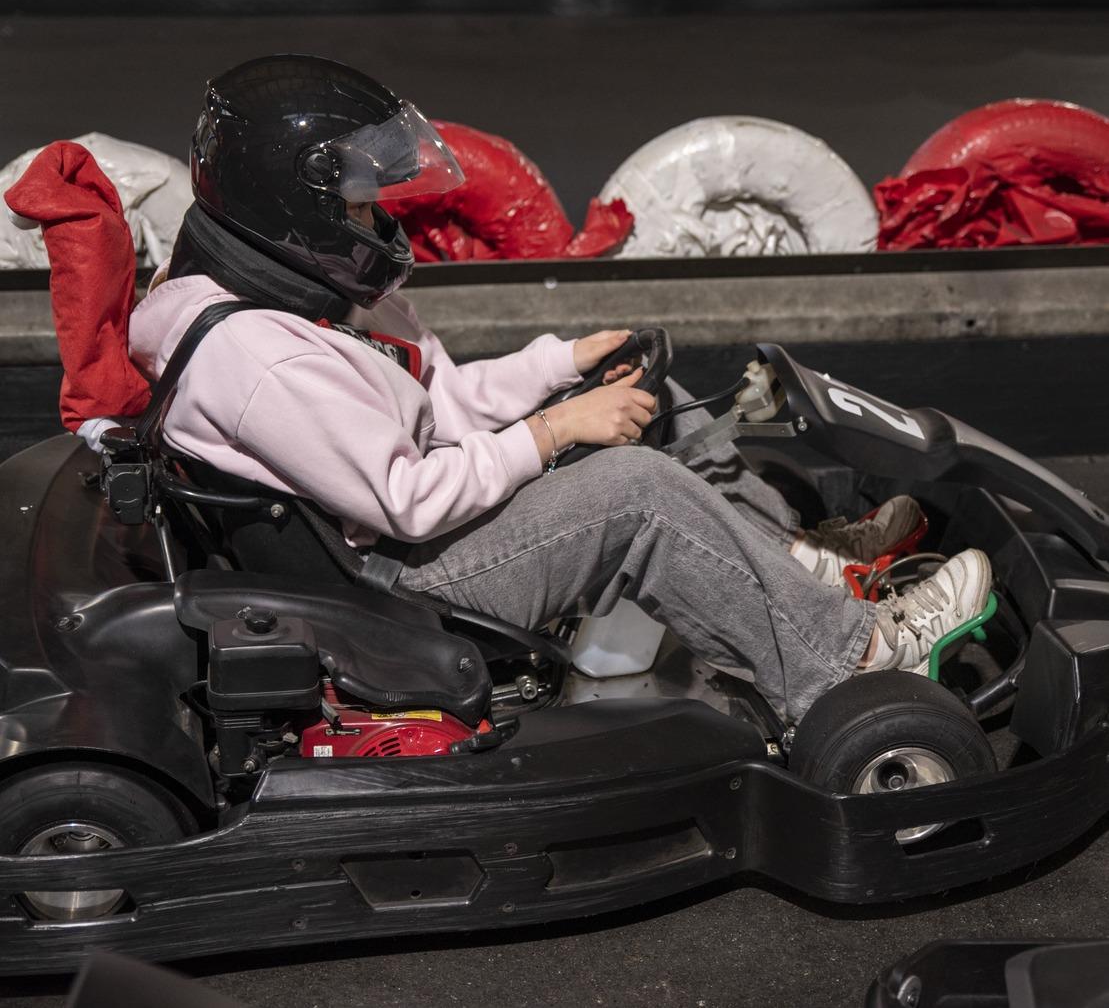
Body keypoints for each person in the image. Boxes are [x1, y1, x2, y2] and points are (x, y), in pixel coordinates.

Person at [130, 54, 991, 725]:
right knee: (634, 491)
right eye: (362, 204)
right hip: (395, 587)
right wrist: (552, 433)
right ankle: (857, 657)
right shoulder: (261, 358)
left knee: (638, 399)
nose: (378, 220)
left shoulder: (283, 297)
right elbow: (409, 499)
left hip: (397, 529)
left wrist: (560, 366)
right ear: (296, 204)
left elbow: (435, 401)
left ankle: (807, 568)